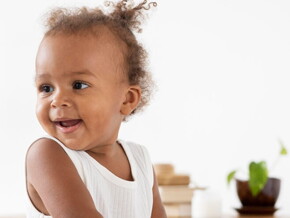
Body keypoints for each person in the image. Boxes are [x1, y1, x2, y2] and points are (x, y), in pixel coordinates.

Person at [25, 0, 167, 217]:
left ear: (127, 99)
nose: (57, 100)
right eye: (46, 87)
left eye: (78, 85)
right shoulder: (47, 155)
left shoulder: (140, 161)